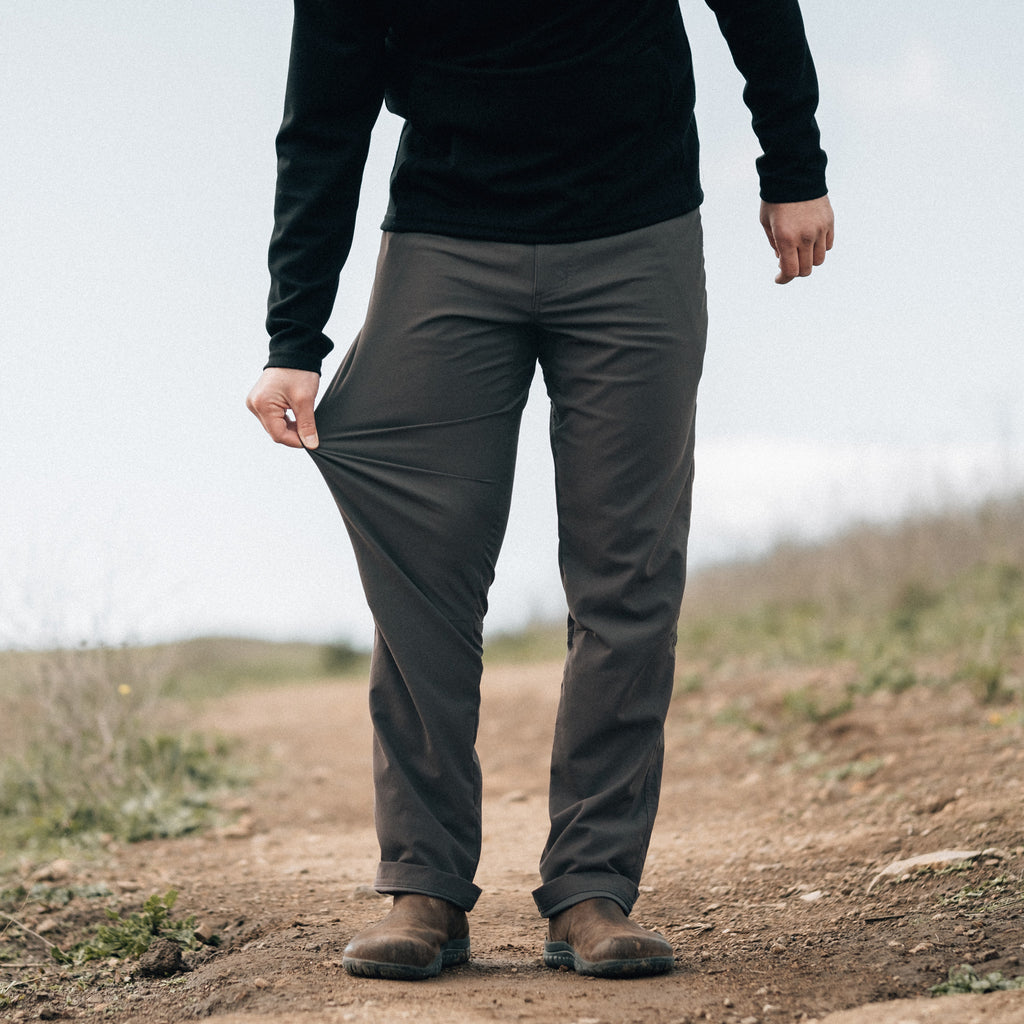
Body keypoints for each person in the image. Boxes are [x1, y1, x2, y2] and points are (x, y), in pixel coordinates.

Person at [247, 0, 834, 981]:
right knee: (423, 577)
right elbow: (324, 108)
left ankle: (592, 888)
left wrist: (795, 165)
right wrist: (292, 335)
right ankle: (424, 884)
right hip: (445, 238)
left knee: (627, 573)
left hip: (636, 227)